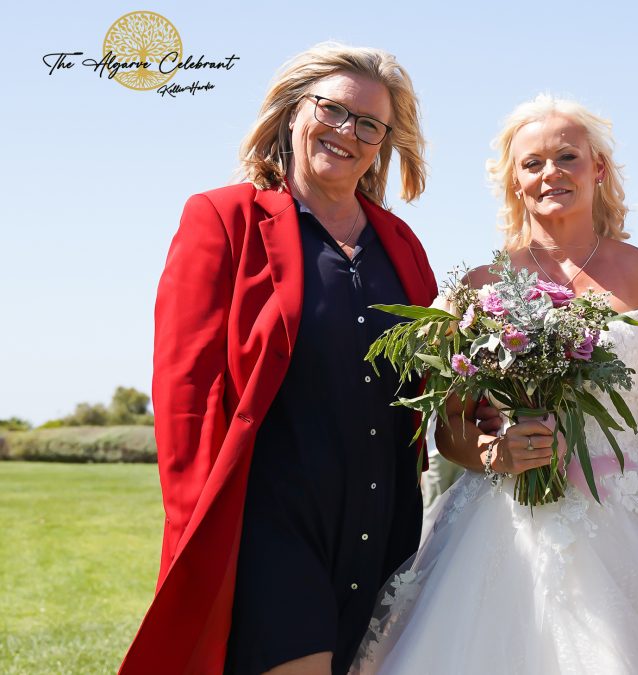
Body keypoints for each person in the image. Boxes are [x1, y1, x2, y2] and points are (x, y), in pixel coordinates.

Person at [351, 94, 638, 674]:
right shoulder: (479, 286)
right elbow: (449, 427)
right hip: (503, 529)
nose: (550, 172)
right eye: (532, 163)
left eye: (567, 156)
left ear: (597, 168)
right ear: (514, 180)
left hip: (630, 517)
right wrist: (493, 450)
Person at [119, 43, 437, 675]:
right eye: (334, 110)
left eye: (370, 125)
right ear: (294, 109)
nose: (349, 133)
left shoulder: (402, 243)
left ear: (384, 144)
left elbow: (433, 380)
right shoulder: (223, 217)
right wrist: (197, 535)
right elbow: (186, 390)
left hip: (385, 517)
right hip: (270, 517)